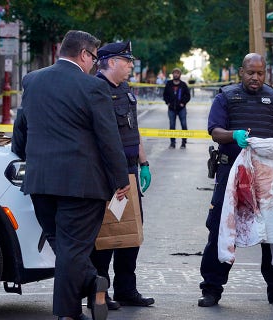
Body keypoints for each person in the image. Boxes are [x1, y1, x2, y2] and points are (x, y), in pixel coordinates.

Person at [12, 30, 130, 320]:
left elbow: (21, 130)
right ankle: (69, 311)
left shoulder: (33, 80)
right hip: (82, 185)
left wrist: (26, 157)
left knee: (65, 247)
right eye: (93, 57)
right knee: (73, 250)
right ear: (84, 55)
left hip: (41, 182)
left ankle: (93, 284)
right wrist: (121, 179)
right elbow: (108, 138)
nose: (94, 64)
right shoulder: (92, 88)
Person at [199, 52, 273, 308]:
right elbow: (215, 131)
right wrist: (233, 135)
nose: (255, 77)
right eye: (250, 72)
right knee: (221, 229)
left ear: (265, 73)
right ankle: (211, 289)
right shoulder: (226, 97)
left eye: (260, 73)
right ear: (241, 71)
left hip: (265, 178)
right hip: (231, 175)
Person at [89, 41, 155, 311]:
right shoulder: (94, 89)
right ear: (112, 62)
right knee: (106, 235)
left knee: (132, 231)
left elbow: (133, 129)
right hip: (106, 172)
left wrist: (144, 162)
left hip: (129, 169)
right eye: (126, 61)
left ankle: (127, 289)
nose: (130, 65)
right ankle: (100, 294)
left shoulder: (127, 91)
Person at [163, 68, 191, 149]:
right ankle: (172, 143)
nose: (176, 74)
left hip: (181, 109)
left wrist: (183, 103)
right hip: (171, 108)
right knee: (172, 126)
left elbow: (188, 95)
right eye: (174, 73)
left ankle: (183, 143)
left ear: (180, 75)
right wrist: (167, 103)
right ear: (173, 74)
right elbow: (165, 95)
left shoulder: (183, 85)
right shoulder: (168, 84)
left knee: (184, 125)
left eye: (177, 73)